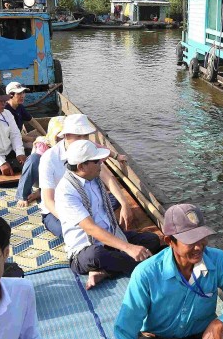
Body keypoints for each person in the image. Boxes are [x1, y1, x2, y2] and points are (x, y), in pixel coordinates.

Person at [114, 204, 223, 339]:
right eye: (191, 240)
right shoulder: (146, 273)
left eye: (202, 238)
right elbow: (126, 329)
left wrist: (220, 323)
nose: (199, 247)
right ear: (169, 241)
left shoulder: (218, 260)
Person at [55, 140, 161, 290]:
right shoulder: (66, 191)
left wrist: (125, 206)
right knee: (97, 255)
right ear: (81, 166)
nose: (101, 164)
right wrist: (128, 248)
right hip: (86, 248)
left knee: (152, 239)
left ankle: (105, 272)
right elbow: (91, 229)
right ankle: (151, 269)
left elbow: (110, 182)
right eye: (97, 161)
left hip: (111, 237)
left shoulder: (93, 176)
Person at [38, 114, 131, 237]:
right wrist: (78, 221)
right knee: (69, 231)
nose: (83, 140)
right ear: (66, 136)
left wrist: (125, 204)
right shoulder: (49, 158)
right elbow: (49, 200)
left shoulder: (89, 150)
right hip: (58, 210)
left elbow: (107, 178)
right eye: (78, 136)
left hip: (86, 203)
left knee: (115, 200)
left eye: (85, 136)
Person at [15, 116, 64, 209]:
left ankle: (40, 193)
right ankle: (23, 195)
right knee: (34, 159)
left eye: (66, 135)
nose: (63, 139)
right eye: (60, 136)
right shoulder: (43, 144)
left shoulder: (73, 144)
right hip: (42, 177)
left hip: (61, 180)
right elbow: (44, 167)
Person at [5, 82, 46, 148]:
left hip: (20, 136)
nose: (22, 96)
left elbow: (32, 121)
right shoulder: (5, 111)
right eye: (19, 93)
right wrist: (35, 140)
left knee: (40, 133)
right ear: (10, 95)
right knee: (40, 146)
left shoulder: (19, 106)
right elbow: (13, 135)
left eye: (23, 92)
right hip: (10, 142)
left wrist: (45, 135)